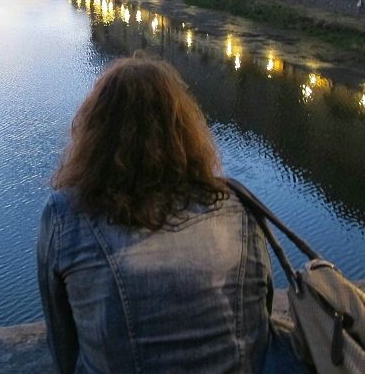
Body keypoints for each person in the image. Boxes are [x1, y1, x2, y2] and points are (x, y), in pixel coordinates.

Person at [37, 56, 273, 373]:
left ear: (96, 133)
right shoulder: (238, 205)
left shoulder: (66, 214)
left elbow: (62, 340)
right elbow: (260, 316)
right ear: (185, 130)